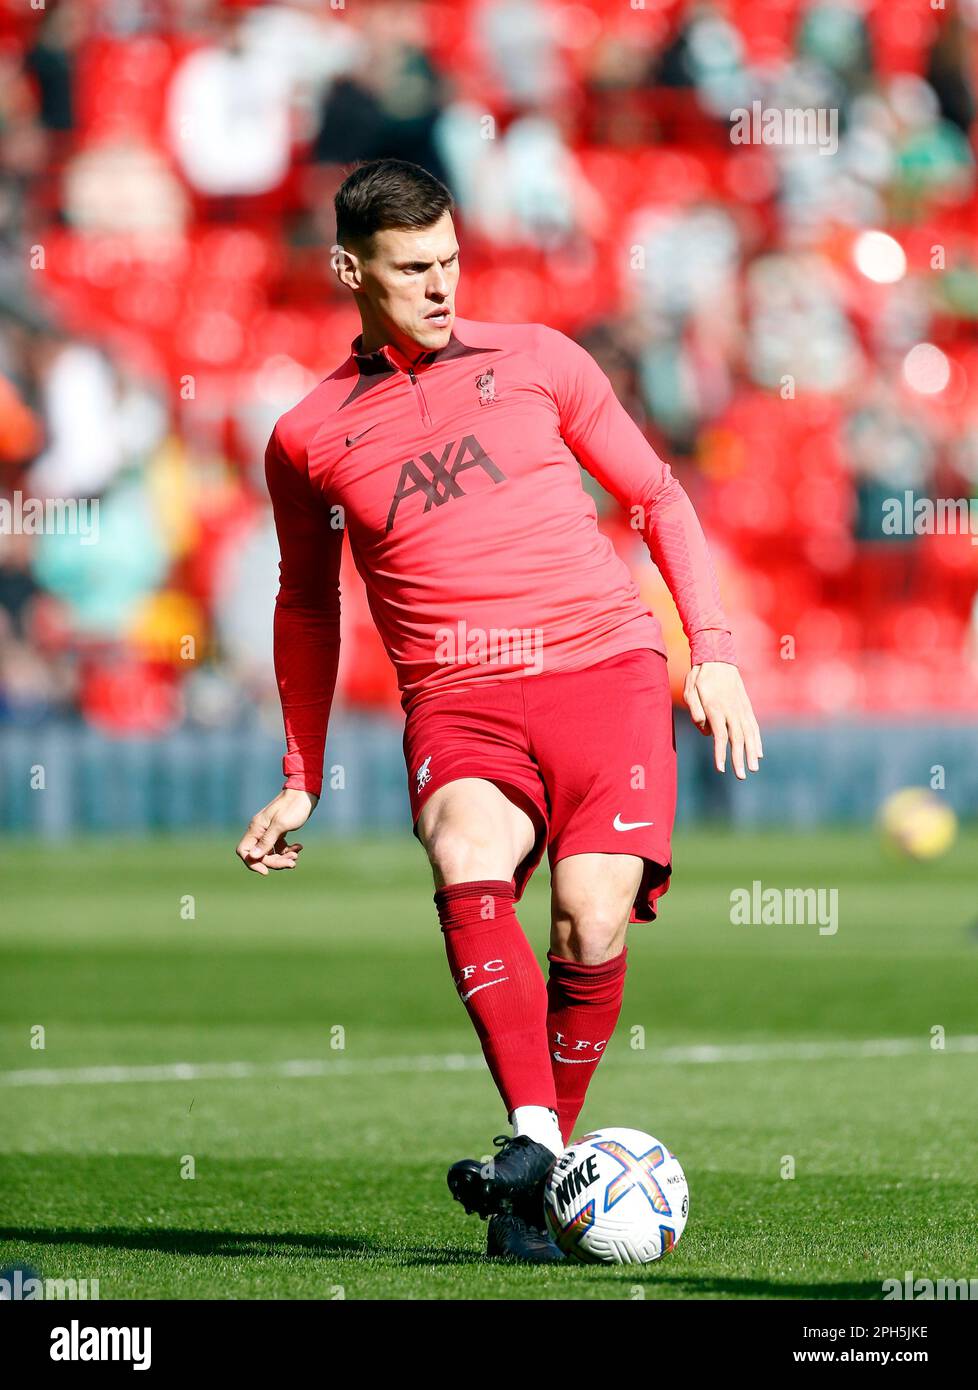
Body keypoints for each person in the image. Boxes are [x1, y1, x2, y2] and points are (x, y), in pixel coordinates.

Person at [236, 158, 762, 1263]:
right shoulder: (306, 436)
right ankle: (537, 1139)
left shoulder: (538, 359)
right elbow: (306, 605)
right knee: (463, 849)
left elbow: (656, 495)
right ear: (349, 269)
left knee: (590, 918)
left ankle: (533, 1176)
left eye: (452, 261)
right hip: (457, 699)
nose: (441, 285)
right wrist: (301, 771)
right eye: (414, 267)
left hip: (603, 670)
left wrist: (708, 651)